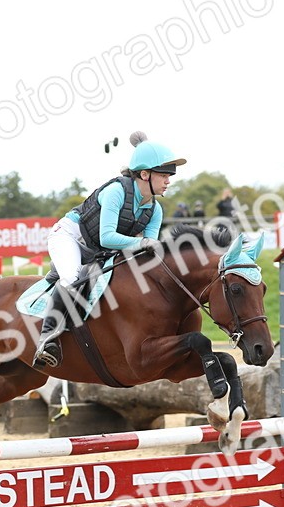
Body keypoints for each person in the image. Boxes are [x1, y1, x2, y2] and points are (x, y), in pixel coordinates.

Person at [32, 131, 185, 368]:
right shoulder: (116, 191)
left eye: (169, 176)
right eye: (164, 175)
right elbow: (108, 237)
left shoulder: (155, 210)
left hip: (98, 251)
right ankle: (47, 338)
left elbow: (147, 252)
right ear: (144, 174)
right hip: (71, 237)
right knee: (72, 278)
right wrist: (143, 243)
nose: (168, 181)